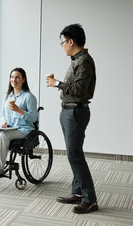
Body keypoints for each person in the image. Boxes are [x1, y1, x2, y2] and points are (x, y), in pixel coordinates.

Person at [46, 24, 98, 214]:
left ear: (71, 42)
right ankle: (77, 193)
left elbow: (78, 90)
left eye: (62, 42)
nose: (62, 46)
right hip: (69, 111)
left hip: (76, 112)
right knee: (74, 152)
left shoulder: (83, 61)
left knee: (74, 154)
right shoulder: (76, 59)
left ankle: (89, 199)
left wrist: (56, 83)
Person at [0, 68, 38, 178]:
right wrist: (3, 123)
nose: (14, 80)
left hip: (24, 129)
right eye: (12, 77)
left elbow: (34, 118)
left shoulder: (29, 97)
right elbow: (2, 114)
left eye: (17, 77)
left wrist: (19, 110)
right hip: (10, 128)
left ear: (23, 80)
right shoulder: (7, 96)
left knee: (3, 135)